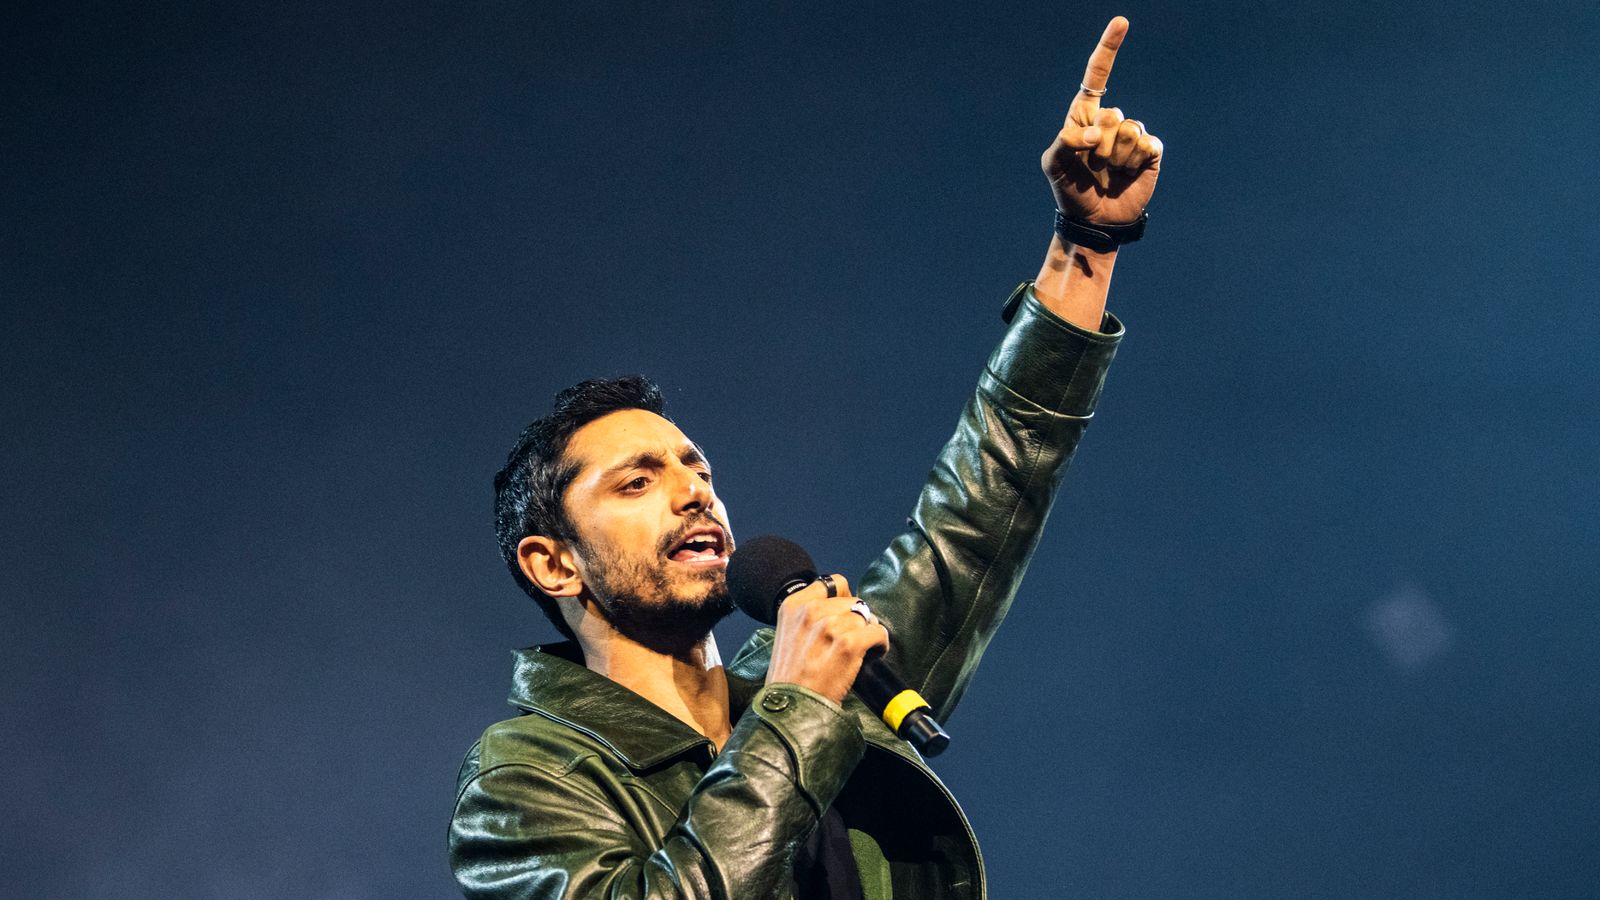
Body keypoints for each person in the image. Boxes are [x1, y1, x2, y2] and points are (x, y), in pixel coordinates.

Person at [449, 16, 1162, 899]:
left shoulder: (822, 676)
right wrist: (795, 709)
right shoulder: (526, 776)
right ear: (553, 561)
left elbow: (984, 501)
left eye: (697, 469)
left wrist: (1084, 248)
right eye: (639, 480)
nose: (693, 494)